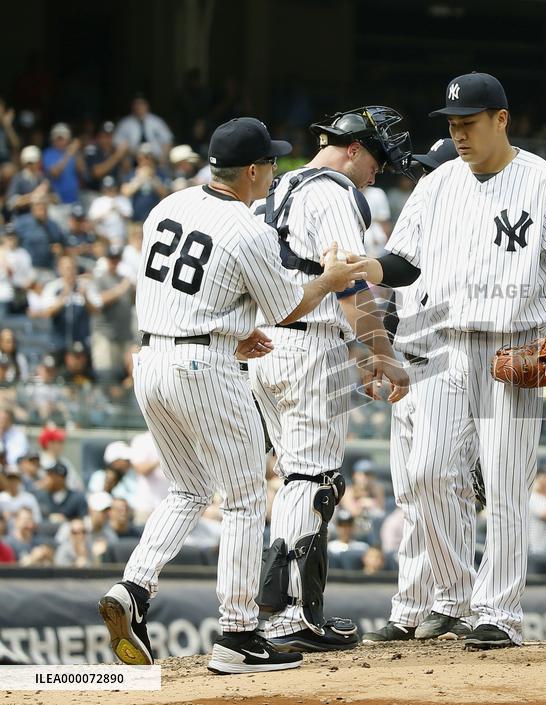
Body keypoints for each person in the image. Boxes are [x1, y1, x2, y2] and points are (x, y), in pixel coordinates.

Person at [96, 117, 368, 675]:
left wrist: (229, 326)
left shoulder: (166, 207)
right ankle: (240, 635)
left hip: (152, 359)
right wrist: (329, 279)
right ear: (250, 170)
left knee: (189, 489)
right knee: (244, 498)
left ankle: (134, 588)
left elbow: (183, 289)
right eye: (269, 162)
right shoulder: (248, 228)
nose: (274, 170)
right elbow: (285, 308)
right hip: (205, 365)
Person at [351, 73, 546, 650]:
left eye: (468, 123)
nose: (458, 134)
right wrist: (368, 269)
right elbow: (404, 264)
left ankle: (499, 612)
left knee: (508, 486)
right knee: (430, 471)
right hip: (441, 343)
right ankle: (454, 596)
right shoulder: (438, 184)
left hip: (511, 348)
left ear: (501, 119)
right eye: (452, 125)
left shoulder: (543, 181)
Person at [249, 105, 411, 653]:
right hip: (307, 346)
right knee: (311, 484)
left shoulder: (278, 185)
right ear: (355, 149)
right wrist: (383, 354)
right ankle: (287, 617)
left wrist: (360, 356)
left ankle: (289, 613)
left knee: (298, 478)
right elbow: (348, 286)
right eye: (378, 161)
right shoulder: (336, 191)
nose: (377, 174)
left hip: (266, 344)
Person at [362, 137, 483, 644]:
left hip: (447, 363)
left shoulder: (471, 234)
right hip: (409, 367)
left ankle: (456, 604)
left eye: (435, 170)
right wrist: (381, 358)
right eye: (423, 172)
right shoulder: (417, 233)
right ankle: (410, 608)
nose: (424, 179)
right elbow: (394, 306)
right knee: (412, 492)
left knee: (442, 483)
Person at [86, 240, 134, 383]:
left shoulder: (124, 279)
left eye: (116, 259)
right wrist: (120, 289)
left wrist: (132, 287)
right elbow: (97, 302)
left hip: (124, 336)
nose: (114, 262)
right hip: (105, 336)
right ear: (106, 259)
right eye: (111, 259)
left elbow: (133, 301)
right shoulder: (99, 279)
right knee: (106, 376)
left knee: (126, 377)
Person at [35, 254, 90, 355]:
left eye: (72, 268)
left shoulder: (85, 286)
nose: (70, 271)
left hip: (82, 341)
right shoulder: (52, 287)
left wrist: (85, 298)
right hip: (58, 341)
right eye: (67, 268)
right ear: (59, 269)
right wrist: (63, 296)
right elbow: (47, 313)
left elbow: (96, 311)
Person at [114, 95, 174, 160]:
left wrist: (163, 158)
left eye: (141, 104)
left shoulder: (157, 121)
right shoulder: (125, 123)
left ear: (147, 105)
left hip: (155, 158)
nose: (139, 107)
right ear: (132, 106)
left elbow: (168, 140)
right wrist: (126, 157)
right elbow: (116, 142)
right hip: (133, 158)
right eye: (136, 104)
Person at [41, 123, 85, 205]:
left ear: (68, 139)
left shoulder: (73, 153)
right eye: (58, 138)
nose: (60, 141)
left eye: (62, 138)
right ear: (53, 139)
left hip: (74, 200)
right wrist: (68, 154)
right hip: (56, 201)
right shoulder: (48, 153)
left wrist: (77, 151)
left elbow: (81, 170)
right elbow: (55, 173)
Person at [88, 176, 133, 249]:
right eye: (107, 188)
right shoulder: (98, 201)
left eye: (112, 187)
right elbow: (92, 221)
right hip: (104, 239)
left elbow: (129, 218)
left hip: (121, 237)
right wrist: (106, 213)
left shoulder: (122, 199)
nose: (110, 190)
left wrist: (118, 210)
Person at [6, 146, 49, 217]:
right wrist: (33, 196)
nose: (36, 165)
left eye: (36, 162)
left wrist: (46, 197)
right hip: (23, 216)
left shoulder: (41, 178)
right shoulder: (18, 178)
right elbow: (10, 203)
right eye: (30, 163)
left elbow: (56, 198)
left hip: (42, 217)